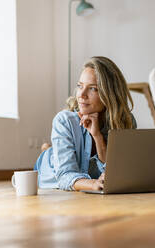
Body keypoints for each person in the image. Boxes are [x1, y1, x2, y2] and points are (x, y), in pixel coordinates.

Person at [34, 56, 137, 191]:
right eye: (80, 86)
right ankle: (48, 151)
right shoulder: (64, 120)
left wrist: (97, 136)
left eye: (92, 88)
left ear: (109, 94)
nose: (81, 94)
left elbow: (116, 173)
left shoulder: (125, 121)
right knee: (52, 156)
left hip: (85, 164)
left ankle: (49, 147)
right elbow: (65, 176)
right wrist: (93, 184)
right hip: (48, 168)